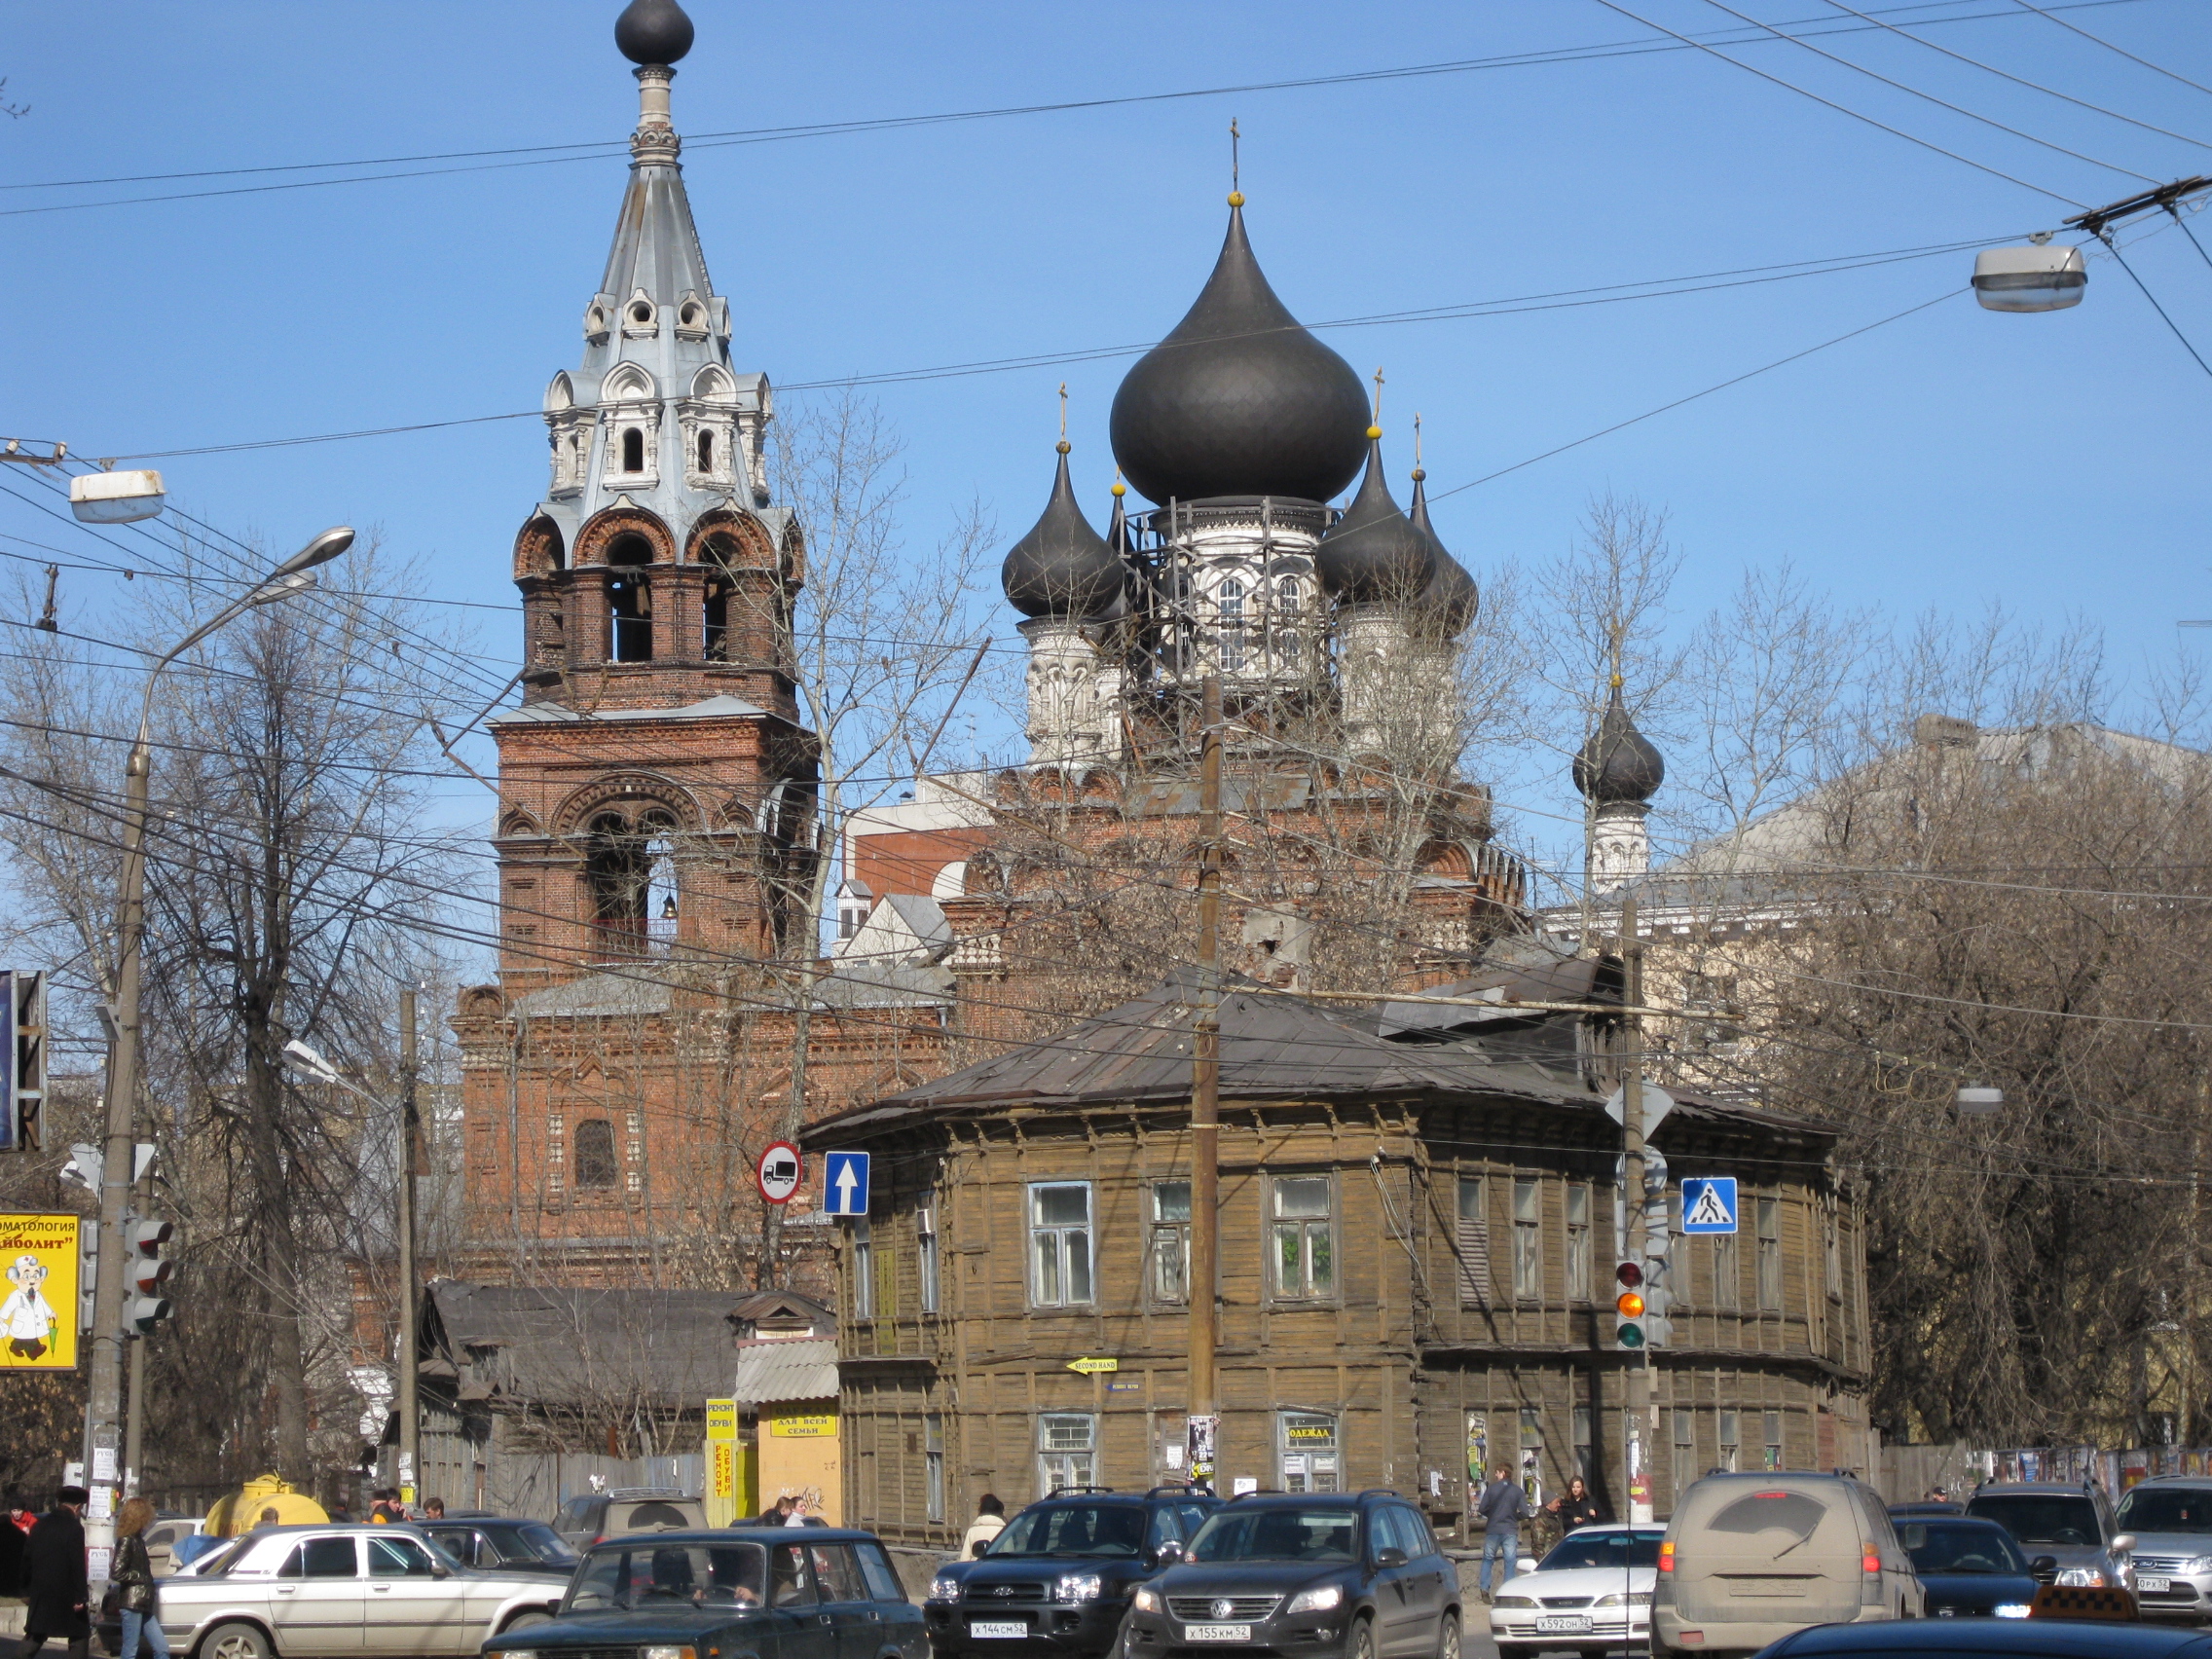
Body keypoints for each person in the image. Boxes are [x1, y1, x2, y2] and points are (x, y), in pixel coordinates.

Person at [21, 1487, 89, 1659]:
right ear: (77, 1506)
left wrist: (26, 1589)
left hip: (41, 1590)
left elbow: (27, 1558)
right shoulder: (74, 1528)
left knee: (36, 1632)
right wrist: (80, 1596)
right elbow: (77, 1564)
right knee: (79, 1634)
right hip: (66, 1592)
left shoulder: (40, 1525)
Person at [113, 1497, 170, 1659]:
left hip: (143, 1601)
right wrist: (139, 1576)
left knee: (162, 1649)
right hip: (132, 1602)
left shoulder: (137, 1539)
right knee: (130, 1649)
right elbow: (117, 1572)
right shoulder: (127, 1540)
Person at [1475, 1465, 1532, 1601]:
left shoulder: (1492, 1489)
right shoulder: (1517, 1491)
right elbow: (1525, 1512)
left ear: (1502, 1473)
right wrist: (1514, 1517)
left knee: (1488, 1559)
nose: (1495, 1475)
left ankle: (1484, 1589)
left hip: (1493, 1529)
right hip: (1510, 1530)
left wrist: (1492, 1515)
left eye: (1497, 1472)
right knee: (1510, 1560)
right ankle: (1508, 1592)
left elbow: (1482, 1508)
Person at [962, 1494, 1007, 1561]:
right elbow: (1009, 1555)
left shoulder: (972, 1531)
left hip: (976, 1568)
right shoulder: (1005, 1531)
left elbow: (964, 1559)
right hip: (998, 1568)